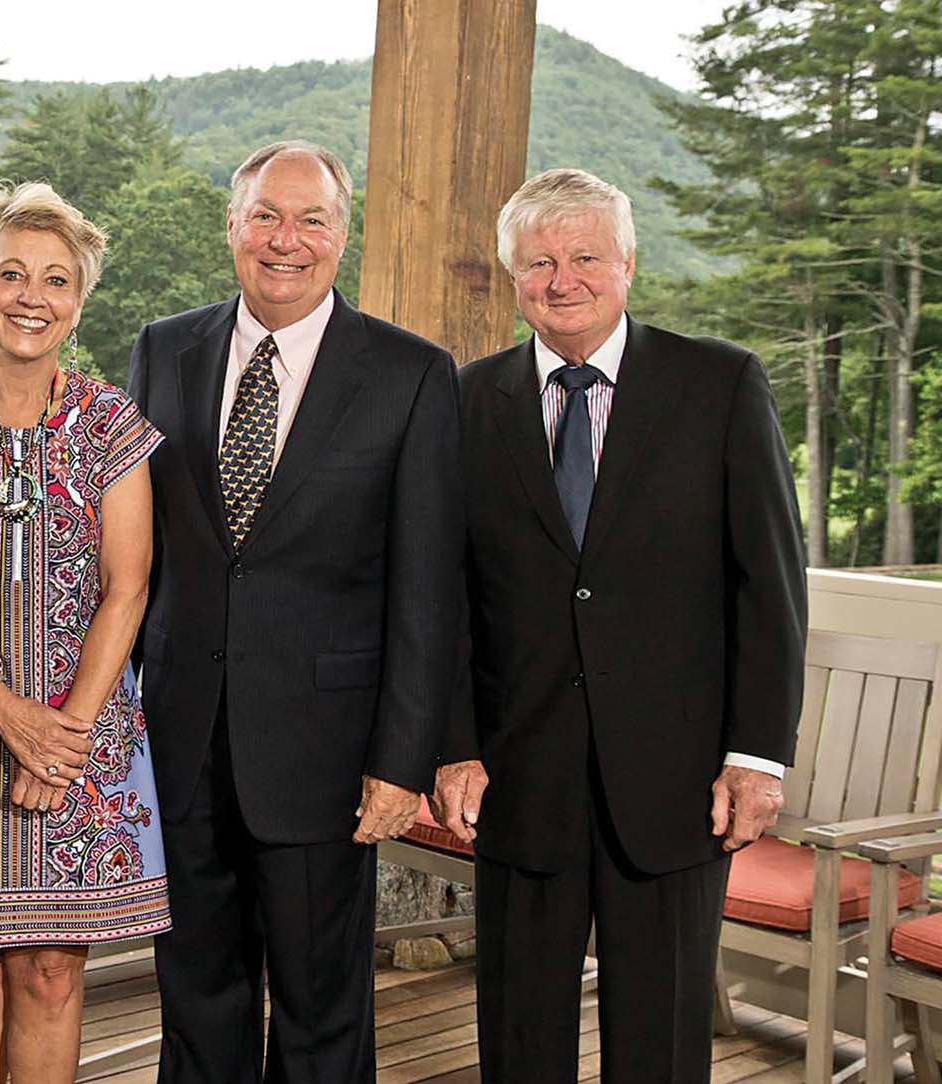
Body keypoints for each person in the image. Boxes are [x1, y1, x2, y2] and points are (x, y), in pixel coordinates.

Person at [430, 167, 807, 1083]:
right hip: (518, 777)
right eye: (540, 262)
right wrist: (454, 743)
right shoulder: (468, 403)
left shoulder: (719, 384)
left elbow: (771, 583)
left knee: (664, 1040)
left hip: (680, 785)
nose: (563, 280)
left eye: (586, 256)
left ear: (628, 263)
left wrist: (757, 756)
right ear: (514, 277)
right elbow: (442, 595)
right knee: (520, 1039)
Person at [127, 140, 464, 1084]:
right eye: (266, 217)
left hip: (326, 753)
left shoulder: (411, 374)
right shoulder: (164, 347)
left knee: (321, 1010)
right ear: (231, 228)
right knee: (196, 996)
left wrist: (402, 760)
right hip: (181, 738)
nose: (287, 240)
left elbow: (428, 587)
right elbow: (133, 547)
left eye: (311, 220)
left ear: (342, 235)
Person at [0, 181, 170, 1084]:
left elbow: (128, 590)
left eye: (54, 279)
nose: (31, 297)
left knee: (51, 973)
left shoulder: (111, 424)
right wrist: (2, 711)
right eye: (10, 274)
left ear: (77, 301)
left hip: (83, 736)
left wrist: (65, 739)